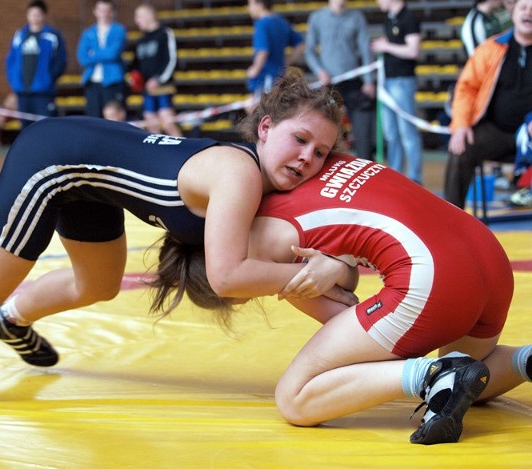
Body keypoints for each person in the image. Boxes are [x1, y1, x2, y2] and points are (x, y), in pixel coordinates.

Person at [0, 69, 349, 370]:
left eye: (320, 152)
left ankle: (9, 319)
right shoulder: (240, 175)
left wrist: (329, 270)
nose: (308, 158)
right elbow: (228, 277)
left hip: (90, 175)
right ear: (265, 129)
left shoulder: (262, 178)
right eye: (300, 139)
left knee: (97, 285)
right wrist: (317, 271)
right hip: (51, 162)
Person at [166, 152, 527, 445]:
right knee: (471, 385)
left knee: (295, 399)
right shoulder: (315, 164)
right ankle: (524, 360)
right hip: (488, 255)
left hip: (432, 275)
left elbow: (343, 312)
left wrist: (289, 287)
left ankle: (429, 375)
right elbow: (349, 255)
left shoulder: (256, 243)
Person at [444, 0, 532, 209]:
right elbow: (466, 88)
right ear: (512, 11)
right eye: (523, 8)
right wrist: (461, 125)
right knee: (460, 149)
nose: (528, 13)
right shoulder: (490, 48)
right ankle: (449, 218)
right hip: (497, 132)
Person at [304, 0, 376, 161]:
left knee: (362, 133)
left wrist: (368, 80)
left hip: (353, 81)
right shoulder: (317, 18)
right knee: (323, 130)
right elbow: (309, 51)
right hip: (327, 84)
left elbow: (366, 49)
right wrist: (319, 71)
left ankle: (366, 168)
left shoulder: (357, 17)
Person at [371, 0, 423, 184]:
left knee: (407, 132)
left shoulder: (408, 17)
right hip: (388, 81)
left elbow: (413, 50)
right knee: (391, 133)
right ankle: (396, 177)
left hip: (402, 81)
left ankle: (415, 178)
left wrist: (386, 46)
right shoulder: (389, 18)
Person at [5, 0, 67, 130]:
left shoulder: (53, 36)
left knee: (45, 128)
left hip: (43, 92)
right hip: (22, 92)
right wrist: (14, 81)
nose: (34, 17)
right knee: (25, 129)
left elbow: (61, 61)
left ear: (44, 15)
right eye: (31, 14)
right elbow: (11, 59)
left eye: (37, 14)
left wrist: (49, 78)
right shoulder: (19, 35)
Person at [130, 2, 182, 136]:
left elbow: (172, 60)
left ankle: (186, 154)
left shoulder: (165, 33)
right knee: (152, 126)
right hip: (147, 90)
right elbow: (136, 65)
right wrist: (134, 78)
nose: (136, 20)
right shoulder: (141, 40)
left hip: (163, 87)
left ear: (149, 16)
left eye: (139, 16)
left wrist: (158, 79)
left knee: (168, 122)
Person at [77, 0, 128, 118]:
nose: (104, 14)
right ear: (95, 11)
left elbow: (113, 53)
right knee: (93, 120)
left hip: (112, 81)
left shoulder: (119, 30)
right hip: (93, 82)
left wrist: (93, 53)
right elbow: (82, 57)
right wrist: (103, 53)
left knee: (113, 118)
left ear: (113, 12)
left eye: (107, 11)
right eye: (101, 10)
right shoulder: (88, 32)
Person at [246, 0, 305, 98]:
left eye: (250, 4)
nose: (248, 8)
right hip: (281, 75)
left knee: (259, 108)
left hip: (266, 77)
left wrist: (254, 69)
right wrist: (288, 61)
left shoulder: (261, 24)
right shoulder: (281, 22)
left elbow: (263, 52)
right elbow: (300, 44)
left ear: (260, 4)